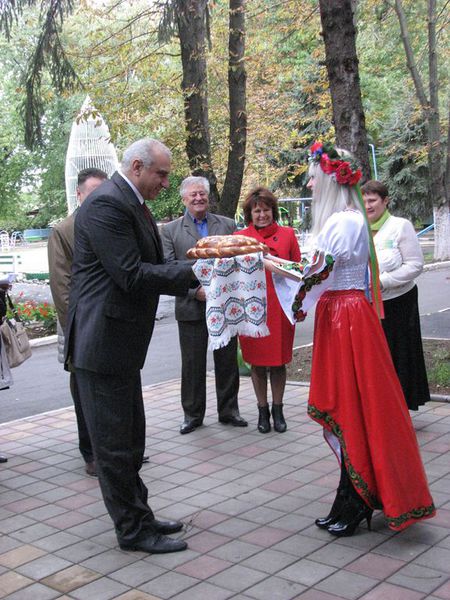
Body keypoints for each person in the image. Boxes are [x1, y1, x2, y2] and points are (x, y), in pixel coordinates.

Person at [65, 138, 195, 554]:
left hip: (118, 346)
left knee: (131, 440)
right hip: (101, 346)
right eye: (161, 173)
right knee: (115, 448)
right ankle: (133, 531)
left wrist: (191, 273)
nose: (165, 181)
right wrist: (195, 271)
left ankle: (141, 513)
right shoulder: (107, 204)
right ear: (137, 166)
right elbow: (131, 274)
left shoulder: (129, 199)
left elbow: (146, 265)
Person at [300, 141, 435, 535]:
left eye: (313, 178)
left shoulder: (343, 221)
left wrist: (270, 267)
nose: (309, 185)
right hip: (344, 315)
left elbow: (316, 273)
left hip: (346, 318)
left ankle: (356, 499)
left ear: (329, 179)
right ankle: (351, 496)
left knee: (353, 406)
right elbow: (318, 272)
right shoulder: (346, 219)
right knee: (354, 405)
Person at [160, 176, 246, 434]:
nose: (198, 198)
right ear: (184, 199)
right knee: (192, 364)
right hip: (191, 307)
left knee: (227, 360)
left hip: (225, 305)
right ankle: (193, 415)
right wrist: (192, 291)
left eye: (202, 194)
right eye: (193, 195)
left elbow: (241, 261)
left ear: (208, 197)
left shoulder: (228, 225)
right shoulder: (170, 231)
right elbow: (166, 269)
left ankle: (229, 410)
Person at [48, 168, 108, 476]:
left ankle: (116, 450)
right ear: (79, 195)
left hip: (111, 325)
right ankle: (92, 453)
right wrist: (81, 329)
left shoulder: (111, 223)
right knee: (85, 390)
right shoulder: (64, 230)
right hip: (81, 326)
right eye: (93, 192)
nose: (99, 198)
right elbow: (62, 286)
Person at [361, 180, 430, 411]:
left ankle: (400, 408)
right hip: (368, 305)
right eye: (364, 200)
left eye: (372, 200)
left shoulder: (400, 226)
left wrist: (381, 282)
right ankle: (379, 408)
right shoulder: (358, 228)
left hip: (399, 303)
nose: (368, 205)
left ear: (385, 200)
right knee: (375, 360)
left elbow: (415, 265)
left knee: (399, 356)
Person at [237, 187, 301, 433]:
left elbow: (298, 271)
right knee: (257, 363)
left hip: (280, 307)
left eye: (266, 210)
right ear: (249, 214)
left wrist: (299, 305)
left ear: (273, 211)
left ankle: (278, 409)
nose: (262, 215)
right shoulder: (240, 237)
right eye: (256, 211)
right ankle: (262, 410)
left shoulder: (288, 235)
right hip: (252, 308)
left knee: (278, 362)